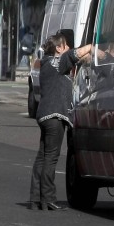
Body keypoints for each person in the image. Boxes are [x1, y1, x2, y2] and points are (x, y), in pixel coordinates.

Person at [29, 30, 91, 210]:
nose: (69, 48)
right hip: (55, 115)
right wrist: (93, 47)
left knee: (42, 156)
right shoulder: (59, 61)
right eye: (66, 45)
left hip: (44, 114)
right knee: (51, 157)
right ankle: (48, 198)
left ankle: (35, 198)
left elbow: (78, 59)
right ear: (58, 48)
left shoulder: (47, 63)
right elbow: (76, 54)